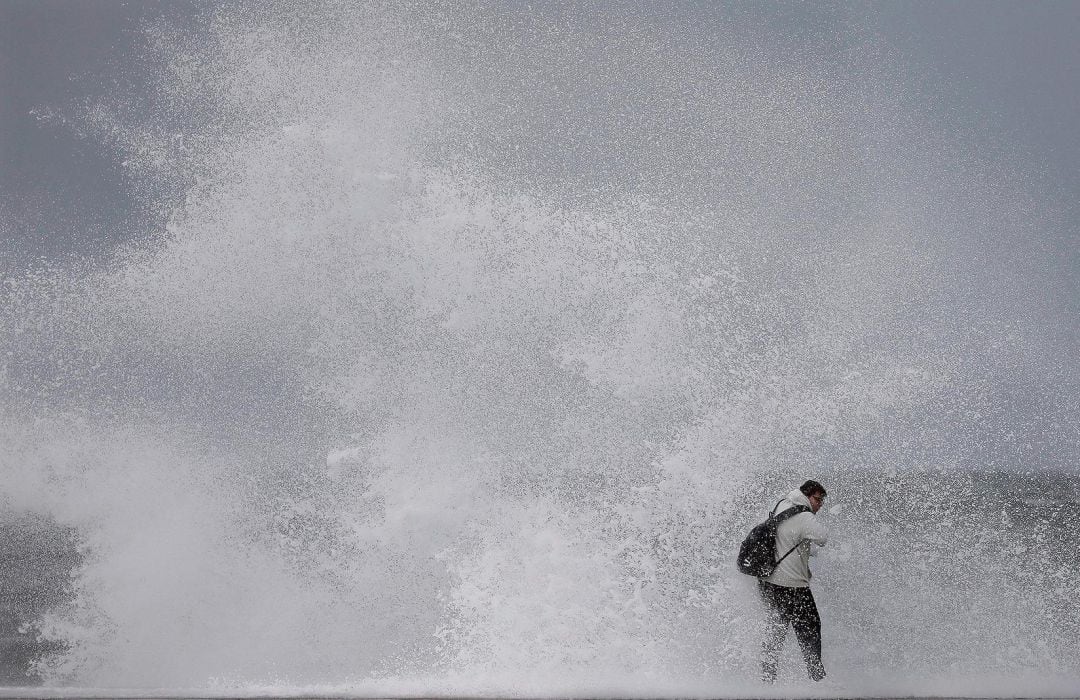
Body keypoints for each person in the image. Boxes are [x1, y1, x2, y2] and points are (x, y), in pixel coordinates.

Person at [757, 479, 829, 683]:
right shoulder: (805, 516)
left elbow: (785, 536)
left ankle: (766, 679)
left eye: (822, 500)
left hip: (768, 581)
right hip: (792, 585)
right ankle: (816, 678)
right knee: (810, 628)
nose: (820, 504)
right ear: (807, 496)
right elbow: (822, 538)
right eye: (817, 499)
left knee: (776, 629)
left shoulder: (782, 504)